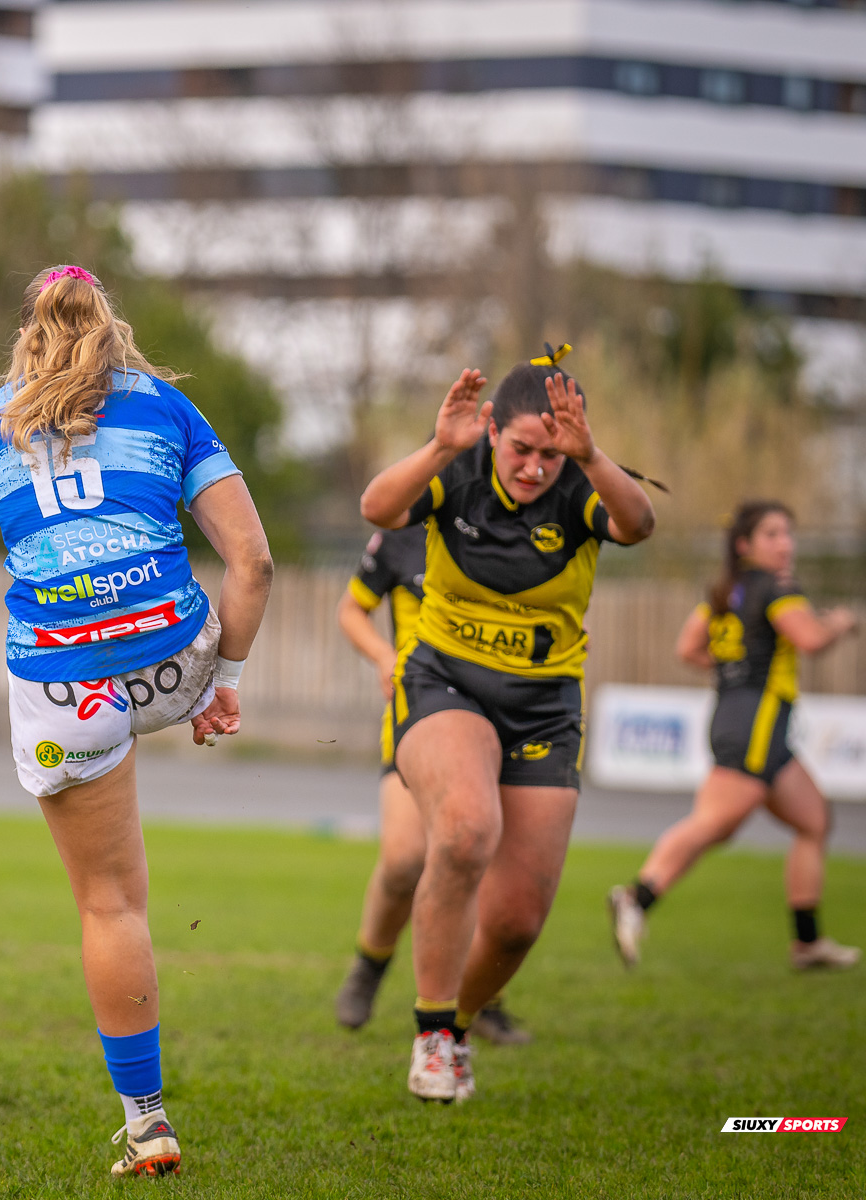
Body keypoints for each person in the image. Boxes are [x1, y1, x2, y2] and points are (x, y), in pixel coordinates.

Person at [0, 265, 274, 1176]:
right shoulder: (168, 406)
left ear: (29, 328)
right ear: (113, 325)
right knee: (191, 601)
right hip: (175, 658)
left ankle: (147, 1122)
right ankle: (194, 685)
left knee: (109, 902)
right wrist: (225, 681)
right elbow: (252, 562)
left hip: (64, 682)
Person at [358, 348, 656, 1103]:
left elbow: (640, 524)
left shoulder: (580, 487)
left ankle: (455, 1028)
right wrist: (439, 445)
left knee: (519, 920)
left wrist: (591, 457)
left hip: (545, 709)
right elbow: (376, 509)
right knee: (464, 829)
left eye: (551, 454)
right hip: (445, 682)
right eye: (522, 449)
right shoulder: (457, 474)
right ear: (492, 431)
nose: (534, 468)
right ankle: (429, 1033)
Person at [609, 501, 860, 972]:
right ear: (745, 544)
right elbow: (810, 639)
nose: (785, 543)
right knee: (713, 824)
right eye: (772, 534)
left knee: (813, 820)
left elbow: (689, 647)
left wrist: (733, 670)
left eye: (788, 533)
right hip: (758, 721)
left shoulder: (728, 590)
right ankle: (635, 898)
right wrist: (839, 623)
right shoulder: (778, 588)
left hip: (736, 714)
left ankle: (808, 943)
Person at [331, 525, 531, 1045]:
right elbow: (351, 609)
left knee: (479, 853)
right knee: (403, 860)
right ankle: (370, 964)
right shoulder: (401, 537)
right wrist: (382, 656)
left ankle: (482, 998)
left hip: (502, 715)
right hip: (419, 712)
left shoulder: (518, 533)